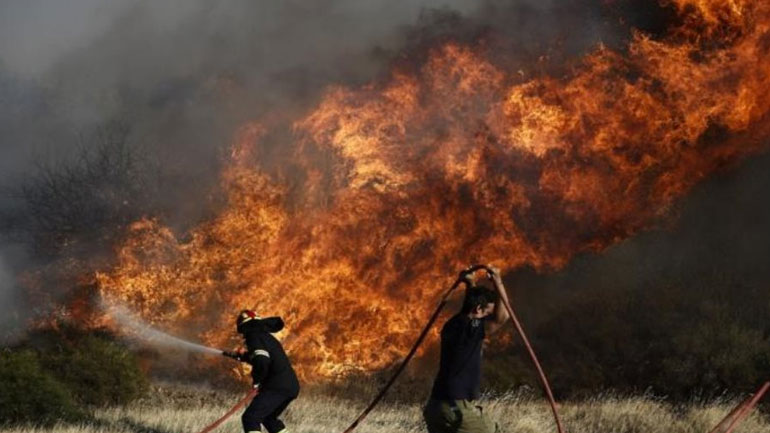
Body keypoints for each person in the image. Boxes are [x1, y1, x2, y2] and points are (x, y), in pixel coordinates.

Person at [423, 266, 511, 433]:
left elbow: (471, 306)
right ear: (478, 310)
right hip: (455, 409)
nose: (488, 318)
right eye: (487, 314)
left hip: (436, 407)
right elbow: (503, 318)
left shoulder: (454, 323)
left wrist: (470, 283)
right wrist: (498, 280)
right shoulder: (470, 328)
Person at [228, 310, 300, 433]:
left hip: (276, 386)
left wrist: (257, 381)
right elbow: (263, 357)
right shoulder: (265, 337)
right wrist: (245, 357)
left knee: (250, 418)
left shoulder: (254, 336)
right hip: (290, 386)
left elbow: (262, 360)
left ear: (245, 326)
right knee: (269, 418)